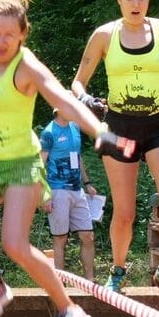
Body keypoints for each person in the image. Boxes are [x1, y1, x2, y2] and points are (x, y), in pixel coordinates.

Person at [0, 0, 123, 317]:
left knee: (14, 243)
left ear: (22, 35)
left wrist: (99, 130)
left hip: (22, 166)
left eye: (9, 35)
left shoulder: (26, 65)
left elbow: (62, 98)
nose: (1, 42)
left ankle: (69, 309)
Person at [71, 0, 159, 302]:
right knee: (125, 211)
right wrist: (86, 100)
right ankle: (118, 270)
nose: (136, 4)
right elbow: (78, 82)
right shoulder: (104, 35)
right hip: (120, 129)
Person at [39, 108, 98, 280]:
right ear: (58, 109)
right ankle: (61, 283)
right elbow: (40, 165)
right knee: (60, 238)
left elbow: (77, 156)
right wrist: (45, 195)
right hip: (57, 190)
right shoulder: (48, 133)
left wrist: (87, 183)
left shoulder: (75, 127)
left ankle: (90, 281)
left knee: (88, 236)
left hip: (77, 190)